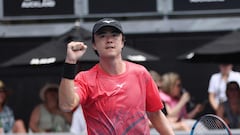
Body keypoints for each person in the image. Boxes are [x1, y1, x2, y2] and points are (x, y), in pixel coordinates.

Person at [59, 18, 174, 135]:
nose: (109, 40)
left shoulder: (141, 73)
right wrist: (70, 62)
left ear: (122, 42)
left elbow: (155, 114)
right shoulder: (85, 78)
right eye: (102, 36)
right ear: (94, 44)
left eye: (114, 35)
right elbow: (66, 105)